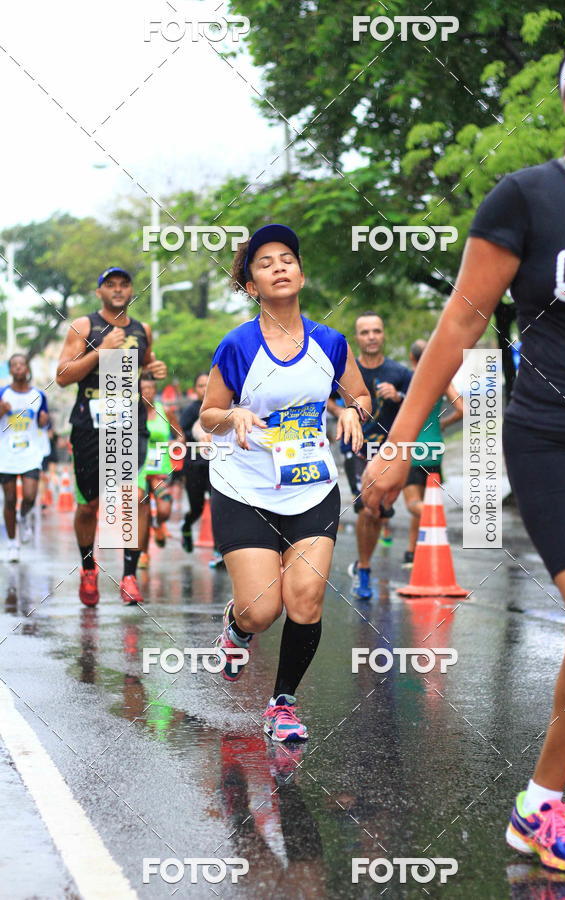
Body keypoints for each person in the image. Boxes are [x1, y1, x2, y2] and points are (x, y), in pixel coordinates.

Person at [362, 30, 565, 872]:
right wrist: (400, 444)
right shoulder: (526, 198)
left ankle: (538, 807)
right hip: (555, 440)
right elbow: (461, 322)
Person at [201, 224, 369, 742]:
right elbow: (208, 415)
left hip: (310, 486)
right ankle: (237, 628)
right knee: (262, 610)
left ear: (301, 274)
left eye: (287, 259)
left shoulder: (330, 343)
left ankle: (283, 704)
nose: (279, 266)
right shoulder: (238, 345)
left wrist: (352, 411)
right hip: (244, 487)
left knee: (306, 599)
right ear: (251, 285)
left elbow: (360, 396)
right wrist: (233, 417)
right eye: (265, 262)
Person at [56, 267, 167, 607]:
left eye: (124, 285)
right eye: (110, 285)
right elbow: (62, 376)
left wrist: (155, 369)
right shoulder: (84, 326)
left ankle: (130, 575)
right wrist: (100, 350)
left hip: (129, 424)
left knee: (135, 497)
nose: (118, 290)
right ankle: (89, 568)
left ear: (131, 291)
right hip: (90, 426)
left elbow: (145, 364)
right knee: (89, 505)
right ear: (99, 292)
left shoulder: (142, 330)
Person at [349, 312, 412, 600]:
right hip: (356, 447)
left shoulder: (400, 373)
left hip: (388, 451)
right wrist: (347, 414)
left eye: (376, 331)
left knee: (376, 511)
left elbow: (418, 408)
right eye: (365, 332)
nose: (371, 336)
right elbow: (328, 401)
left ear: (383, 334)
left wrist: (398, 397)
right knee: (368, 508)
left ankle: (363, 564)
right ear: (357, 337)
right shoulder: (348, 372)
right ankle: (364, 569)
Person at [402, 339, 463, 566]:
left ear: (411, 357)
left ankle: (437, 520)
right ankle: (411, 553)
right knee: (424, 501)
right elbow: (462, 409)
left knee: (413, 504)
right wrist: (443, 423)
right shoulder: (441, 378)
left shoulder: (406, 380)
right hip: (435, 448)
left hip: (411, 449)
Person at [0, 354, 49, 561]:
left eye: (22, 364)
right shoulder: (3, 393)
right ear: (10, 370)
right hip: (6, 454)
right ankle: (13, 544)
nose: (18, 368)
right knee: (10, 499)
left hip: (31, 453)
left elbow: (44, 423)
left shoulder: (39, 395)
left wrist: (45, 421)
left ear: (27, 368)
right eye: (14, 365)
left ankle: (23, 516)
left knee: (29, 496)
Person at [137, 373, 183, 568]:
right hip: (138, 470)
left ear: (155, 391)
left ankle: (158, 524)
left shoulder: (165, 411)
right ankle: (143, 554)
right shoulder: (132, 412)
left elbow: (180, 436)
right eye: (143, 389)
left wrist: (175, 443)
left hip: (160, 469)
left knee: (164, 508)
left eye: (150, 388)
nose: (147, 392)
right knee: (142, 512)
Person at [179, 373, 218, 560]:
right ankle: (186, 526)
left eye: (207, 384)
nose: (204, 388)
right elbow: (183, 434)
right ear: (195, 389)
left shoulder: (220, 408)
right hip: (194, 466)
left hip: (216, 465)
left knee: (218, 508)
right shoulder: (190, 410)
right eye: (201, 385)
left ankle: (219, 550)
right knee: (197, 509)